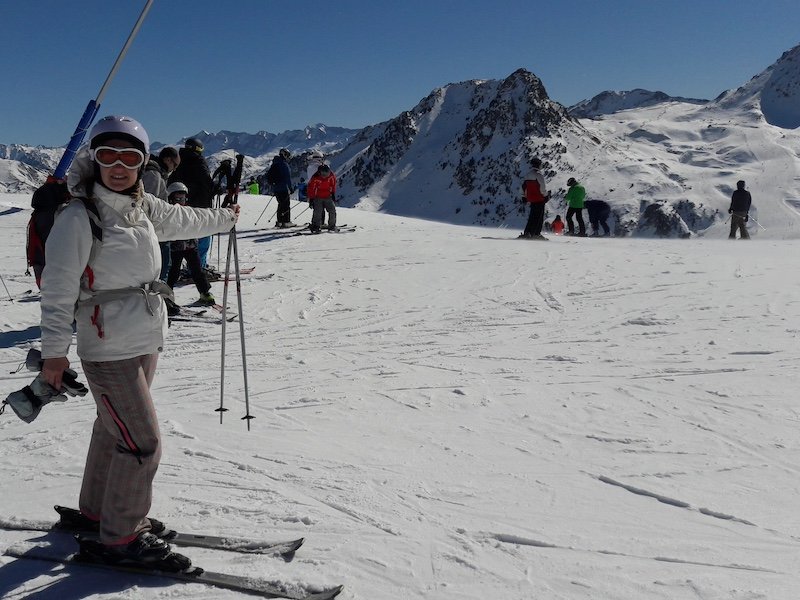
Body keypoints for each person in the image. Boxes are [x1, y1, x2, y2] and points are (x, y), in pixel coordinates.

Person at [39, 115, 239, 568]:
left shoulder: (140, 205)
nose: (118, 164)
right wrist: (54, 353)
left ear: (142, 162)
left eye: (130, 157)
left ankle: (97, 513)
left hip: (143, 336)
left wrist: (224, 218)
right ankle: (120, 537)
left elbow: (180, 219)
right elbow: (57, 290)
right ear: (94, 158)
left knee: (114, 429)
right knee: (142, 443)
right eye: (108, 154)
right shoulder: (79, 215)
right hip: (107, 345)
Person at [164, 182, 215, 306]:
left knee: (197, 270)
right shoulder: (168, 211)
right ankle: (166, 297)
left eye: (183, 197)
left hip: (190, 246)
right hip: (175, 248)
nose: (181, 200)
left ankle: (204, 292)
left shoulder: (188, 210)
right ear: (170, 198)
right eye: (178, 198)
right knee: (173, 272)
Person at [168, 138, 214, 268]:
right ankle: (199, 267)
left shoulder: (179, 161)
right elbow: (206, 183)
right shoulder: (199, 162)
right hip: (201, 205)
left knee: (186, 238)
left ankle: (183, 266)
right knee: (204, 235)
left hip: (182, 205)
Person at [154, 147, 180, 281]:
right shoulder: (154, 175)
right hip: (156, 230)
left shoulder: (159, 173)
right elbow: (150, 204)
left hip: (159, 228)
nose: (174, 169)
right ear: (167, 160)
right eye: (174, 165)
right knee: (163, 264)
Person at [519, 157, 549, 240]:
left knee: (532, 216)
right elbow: (542, 187)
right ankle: (536, 234)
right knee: (539, 217)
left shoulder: (527, 175)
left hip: (531, 199)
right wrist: (546, 196)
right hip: (539, 199)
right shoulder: (538, 175)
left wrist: (523, 196)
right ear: (538, 165)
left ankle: (527, 232)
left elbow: (523, 187)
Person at [266, 148, 294, 227]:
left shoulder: (275, 163)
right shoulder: (284, 164)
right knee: (286, 205)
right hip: (283, 188)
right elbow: (287, 177)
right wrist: (290, 188)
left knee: (280, 205)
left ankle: (280, 221)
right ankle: (286, 221)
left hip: (276, 188)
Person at [308, 164, 337, 233]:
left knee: (332, 211)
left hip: (328, 196)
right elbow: (311, 188)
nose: (325, 175)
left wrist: (333, 193)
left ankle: (332, 226)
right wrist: (311, 199)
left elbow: (333, 184)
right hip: (318, 197)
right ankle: (316, 226)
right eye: (323, 173)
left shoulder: (331, 176)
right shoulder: (315, 177)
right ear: (320, 172)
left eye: (326, 173)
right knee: (318, 212)